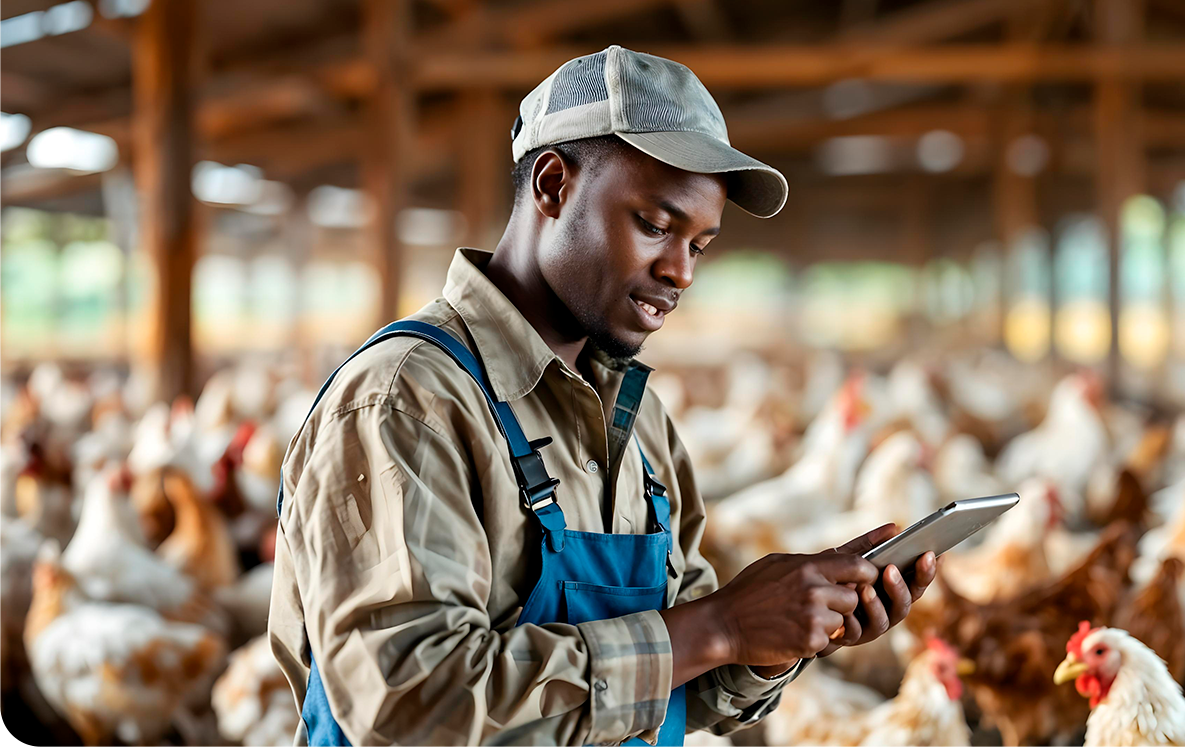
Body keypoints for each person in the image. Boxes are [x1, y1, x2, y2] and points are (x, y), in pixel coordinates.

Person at [269, 45, 938, 747]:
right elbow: (406, 703)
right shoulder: (408, 401)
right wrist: (717, 626)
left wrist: (774, 641)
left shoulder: (636, 418)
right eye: (654, 225)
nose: (680, 272)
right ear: (554, 186)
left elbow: (668, 686)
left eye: (701, 246)